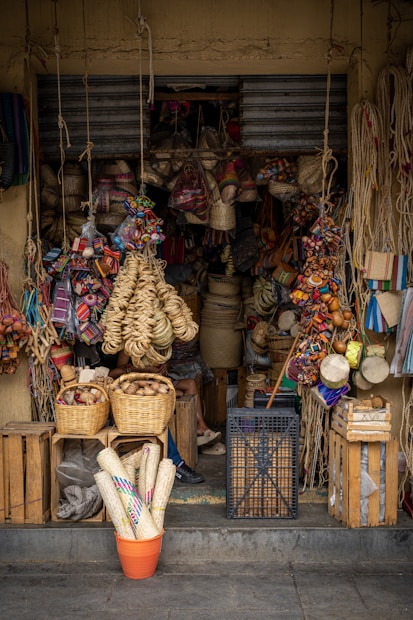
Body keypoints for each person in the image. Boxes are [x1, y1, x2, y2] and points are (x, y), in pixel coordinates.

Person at [110, 350, 225, 454]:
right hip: (138, 387)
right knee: (180, 394)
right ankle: (197, 440)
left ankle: (201, 428)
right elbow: (117, 371)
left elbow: (165, 364)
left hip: (159, 382)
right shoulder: (129, 347)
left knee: (190, 384)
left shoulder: (159, 343)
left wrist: (164, 366)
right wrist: (144, 370)